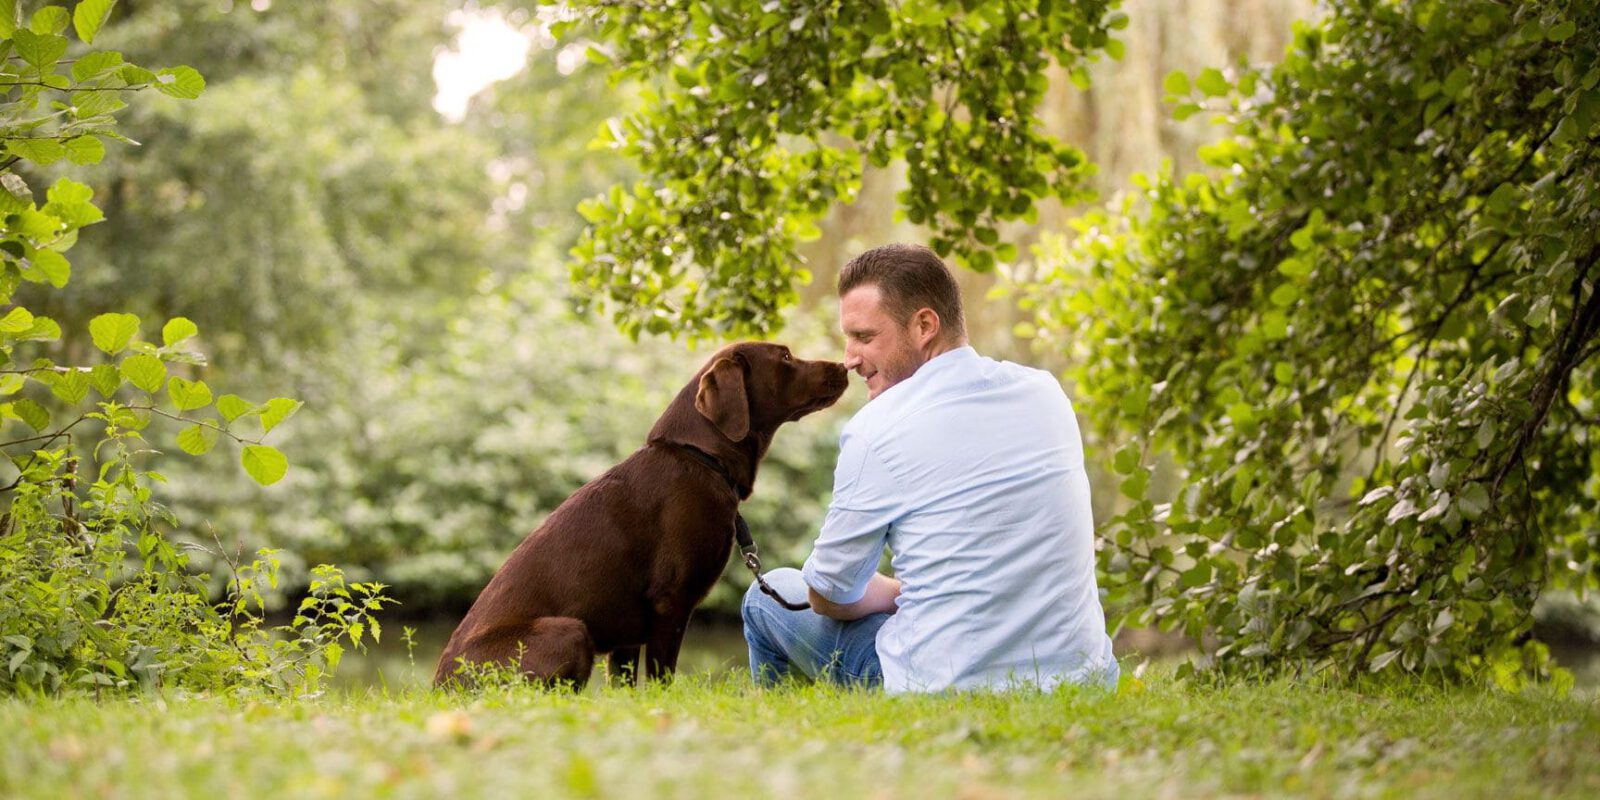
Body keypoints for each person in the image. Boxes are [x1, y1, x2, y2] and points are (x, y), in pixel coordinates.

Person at [741, 243, 1118, 694]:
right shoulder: (1046, 393)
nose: (849, 359)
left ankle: (785, 739)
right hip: (1082, 677)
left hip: (944, 683)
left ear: (924, 325)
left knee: (770, 593)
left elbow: (826, 594)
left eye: (864, 337)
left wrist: (897, 593)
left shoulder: (877, 428)